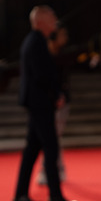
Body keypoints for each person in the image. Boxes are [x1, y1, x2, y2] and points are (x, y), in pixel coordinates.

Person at [12, 5, 79, 201]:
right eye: (52, 17)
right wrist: (56, 93)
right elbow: (42, 74)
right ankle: (55, 196)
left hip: (37, 101)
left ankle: (21, 195)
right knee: (50, 148)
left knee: (32, 149)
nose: (56, 21)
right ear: (41, 21)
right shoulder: (37, 42)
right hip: (41, 102)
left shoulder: (35, 41)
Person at [37, 25, 70, 185]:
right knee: (50, 138)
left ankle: (56, 168)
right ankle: (49, 169)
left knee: (55, 137)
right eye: (62, 35)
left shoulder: (63, 54)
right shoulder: (44, 54)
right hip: (48, 101)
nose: (65, 38)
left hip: (62, 100)